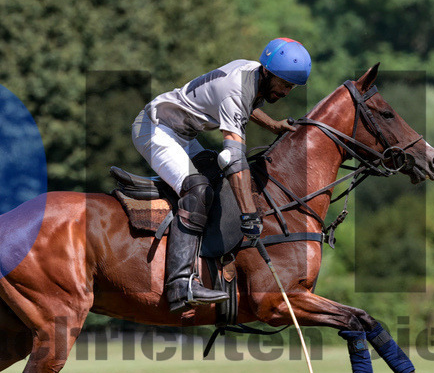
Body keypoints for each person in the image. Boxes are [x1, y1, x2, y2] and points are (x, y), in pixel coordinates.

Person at [132, 37, 310, 312]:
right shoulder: (235, 89)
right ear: (267, 72)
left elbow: (245, 107)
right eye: (284, 84)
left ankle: (208, 263)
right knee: (198, 190)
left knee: (219, 183)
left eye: (292, 87)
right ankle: (181, 283)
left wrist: (273, 126)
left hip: (183, 135)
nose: (286, 91)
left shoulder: (252, 73)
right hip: (155, 130)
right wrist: (249, 214)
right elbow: (232, 157)